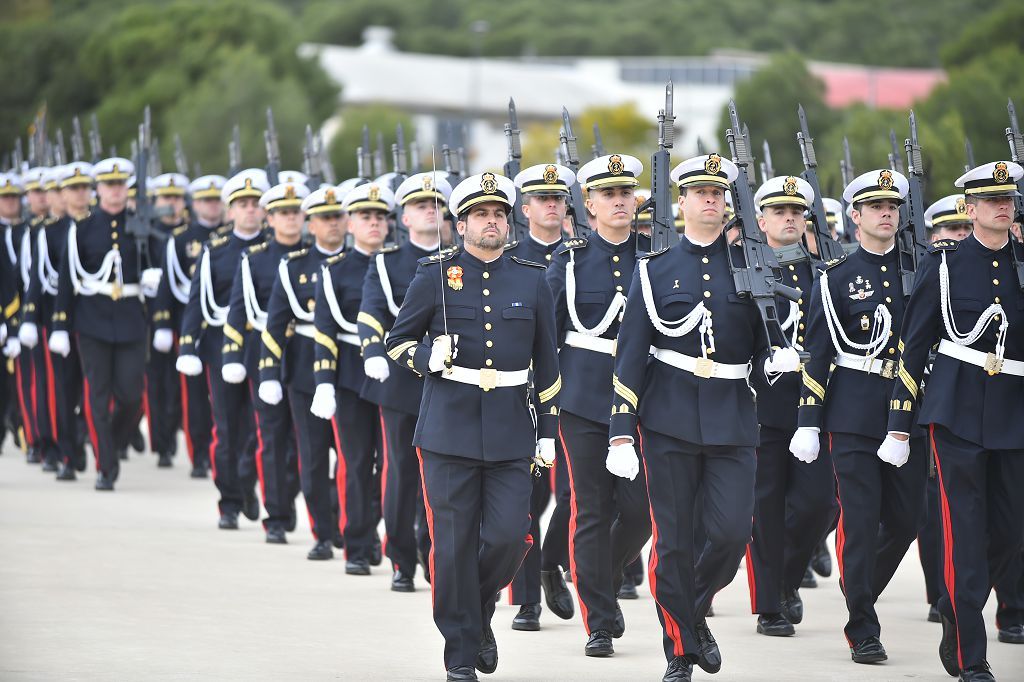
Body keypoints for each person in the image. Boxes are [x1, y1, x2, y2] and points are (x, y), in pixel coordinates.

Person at [608, 154, 801, 682]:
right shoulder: (654, 271)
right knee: (675, 542)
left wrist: (776, 359)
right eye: (700, 192)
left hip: (733, 417)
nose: (711, 200)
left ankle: (690, 613)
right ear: (684, 202)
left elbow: (765, 344)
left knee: (733, 533)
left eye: (719, 192)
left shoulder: (753, 268)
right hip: (667, 419)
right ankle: (679, 649)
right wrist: (621, 431)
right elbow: (630, 356)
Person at [385, 172, 560, 682]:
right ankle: (459, 655)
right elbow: (396, 343)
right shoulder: (434, 273)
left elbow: (547, 364)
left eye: (499, 214)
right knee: (454, 546)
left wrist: (546, 430)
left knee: (509, 536)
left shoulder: (531, 278)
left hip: (510, 429)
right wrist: (426, 356)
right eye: (481, 215)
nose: (492, 222)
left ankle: (477, 612)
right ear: (461, 224)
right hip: (447, 431)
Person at [882, 161, 1024, 681]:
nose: (1002, 206)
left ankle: (954, 610)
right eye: (990, 200)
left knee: (1010, 534)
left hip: (1014, 410)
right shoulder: (942, 266)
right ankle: (970, 655)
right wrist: (901, 420)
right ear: (969, 208)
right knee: (963, 534)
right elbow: (914, 345)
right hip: (957, 410)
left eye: (1008, 198)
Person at [792, 168, 926, 665]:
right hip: (852, 412)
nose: (886, 214)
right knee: (862, 518)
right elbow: (819, 355)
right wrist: (809, 419)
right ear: (855, 216)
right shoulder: (836, 279)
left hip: (907, 411)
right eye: (875, 207)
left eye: (892, 206)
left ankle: (860, 581)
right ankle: (863, 624)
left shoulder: (924, 270)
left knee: (908, 519)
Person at [546, 154, 651, 655]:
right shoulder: (567, 262)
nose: (618, 202)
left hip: (643, 399)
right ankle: (600, 620)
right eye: (608, 194)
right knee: (591, 507)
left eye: (626, 193)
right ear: (587, 204)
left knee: (640, 513)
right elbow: (545, 335)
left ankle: (596, 577)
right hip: (584, 396)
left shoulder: (655, 257)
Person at [745, 176, 837, 637]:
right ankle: (770, 606)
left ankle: (786, 578)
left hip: (812, 409)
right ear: (761, 221)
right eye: (779, 212)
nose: (790, 219)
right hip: (762, 407)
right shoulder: (746, 272)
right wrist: (764, 363)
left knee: (819, 505)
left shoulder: (822, 275)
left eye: (797, 212)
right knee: (765, 509)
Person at [353, 171, 452, 591]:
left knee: (443, 476)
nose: (429, 209)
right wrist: (372, 351)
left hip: (449, 379)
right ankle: (400, 558)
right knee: (400, 471)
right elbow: (372, 311)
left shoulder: (459, 256)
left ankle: (436, 555)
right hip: (400, 377)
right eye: (418, 205)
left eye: (435, 204)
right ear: (404, 218)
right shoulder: (386, 260)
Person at [49, 157, 162, 491]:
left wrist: (154, 282)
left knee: (131, 396)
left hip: (130, 318)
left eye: (120, 185)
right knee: (97, 396)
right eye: (109, 185)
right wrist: (60, 324)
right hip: (92, 319)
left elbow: (154, 270)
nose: (115, 191)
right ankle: (105, 466)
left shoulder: (141, 225)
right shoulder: (83, 229)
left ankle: (110, 439)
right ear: (98, 189)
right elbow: (68, 280)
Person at [502, 162, 575, 630]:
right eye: (542, 199)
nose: (552, 205)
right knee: (523, 498)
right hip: (522, 391)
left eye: (559, 198)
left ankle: (551, 560)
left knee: (574, 494)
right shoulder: (507, 258)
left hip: (576, 390)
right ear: (524, 208)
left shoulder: (584, 253)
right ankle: (527, 598)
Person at [259, 183, 348, 559]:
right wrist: (267, 375)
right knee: (312, 456)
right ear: (311, 225)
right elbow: (275, 324)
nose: (332, 224)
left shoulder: (360, 263)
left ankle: (352, 525)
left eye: (337, 217)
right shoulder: (294, 267)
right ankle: (323, 532)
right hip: (305, 373)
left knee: (355, 458)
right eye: (324, 219)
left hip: (351, 372)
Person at [177, 169, 268, 526]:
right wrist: (188, 344)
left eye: (255, 204)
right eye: (241, 205)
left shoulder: (277, 250)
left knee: (260, 425)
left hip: (263, 345)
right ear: (230, 212)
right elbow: (197, 301)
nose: (249, 210)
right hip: (220, 347)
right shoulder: (214, 251)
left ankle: (247, 478)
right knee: (227, 426)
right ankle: (228, 501)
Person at [222, 180, 308, 544]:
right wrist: (233, 355)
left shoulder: (316, 255)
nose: (290, 218)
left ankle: (288, 498)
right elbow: (239, 310)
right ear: (270, 218)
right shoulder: (254, 259)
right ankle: (276, 515)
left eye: (295, 212)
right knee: (271, 437)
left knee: (303, 441)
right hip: (266, 355)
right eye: (283, 213)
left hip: (307, 355)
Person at [152, 174, 226, 478]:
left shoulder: (231, 236)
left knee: (223, 398)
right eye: (206, 200)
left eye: (216, 199)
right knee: (193, 396)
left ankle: (221, 450)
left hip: (225, 325)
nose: (211, 205)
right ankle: (199, 455)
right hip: (191, 323)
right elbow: (169, 286)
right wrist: (162, 323)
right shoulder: (181, 239)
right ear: (195, 204)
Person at [143, 172, 189, 468]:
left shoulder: (189, 236)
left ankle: (174, 437)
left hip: (183, 319)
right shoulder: (145, 234)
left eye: (176, 197)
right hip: (147, 319)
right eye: (165, 198)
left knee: (178, 386)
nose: (171, 203)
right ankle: (161, 443)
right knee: (155, 383)